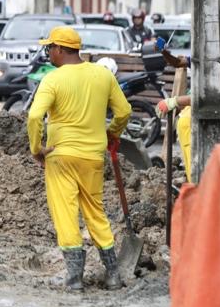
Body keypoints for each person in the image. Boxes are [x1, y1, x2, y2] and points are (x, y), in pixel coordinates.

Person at [27, 26, 132, 291]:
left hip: (60, 156)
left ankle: (74, 278)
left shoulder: (53, 79)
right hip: (93, 156)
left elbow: (34, 116)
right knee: (95, 211)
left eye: (50, 47)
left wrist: (36, 148)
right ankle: (113, 274)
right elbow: (124, 111)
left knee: (66, 214)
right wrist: (111, 135)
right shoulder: (102, 75)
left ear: (60, 49)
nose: (48, 52)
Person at [157, 50, 193, 182]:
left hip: (193, 127)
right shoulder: (196, 58)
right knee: (190, 166)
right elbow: (178, 63)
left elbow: (203, 96)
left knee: (194, 165)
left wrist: (175, 101)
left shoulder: (211, 63)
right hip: (187, 126)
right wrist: (165, 53)